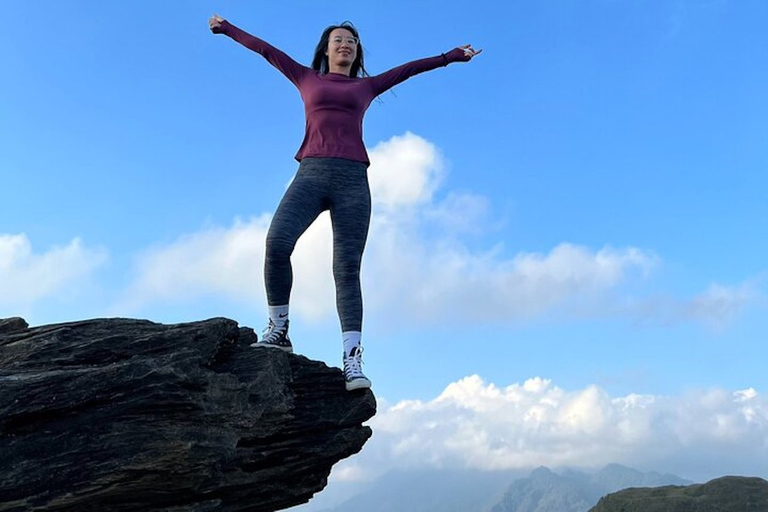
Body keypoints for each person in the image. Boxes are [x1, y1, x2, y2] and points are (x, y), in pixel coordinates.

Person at [209, 14, 481, 391]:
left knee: (346, 269)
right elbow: (265, 50)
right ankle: (279, 328)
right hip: (311, 173)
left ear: (356, 52)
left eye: (351, 42)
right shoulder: (306, 77)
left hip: (353, 179)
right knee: (276, 243)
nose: (345, 45)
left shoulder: (366, 87)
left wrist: (450, 56)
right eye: (338, 40)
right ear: (326, 48)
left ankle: (352, 360)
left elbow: (409, 70)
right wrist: (227, 28)